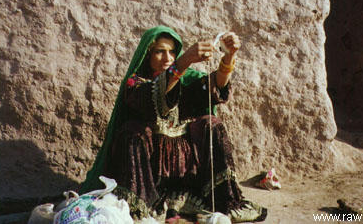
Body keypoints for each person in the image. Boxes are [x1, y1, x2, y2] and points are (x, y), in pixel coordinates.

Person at [80, 26, 267, 223]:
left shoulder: (187, 80)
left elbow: (216, 85)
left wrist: (229, 56)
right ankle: (141, 205)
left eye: (172, 52)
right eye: (160, 51)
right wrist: (184, 60)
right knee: (131, 134)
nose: (167, 57)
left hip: (186, 168)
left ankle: (223, 200)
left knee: (212, 124)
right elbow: (153, 95)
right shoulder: (135, 83)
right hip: (151, 174)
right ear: (148, 53)